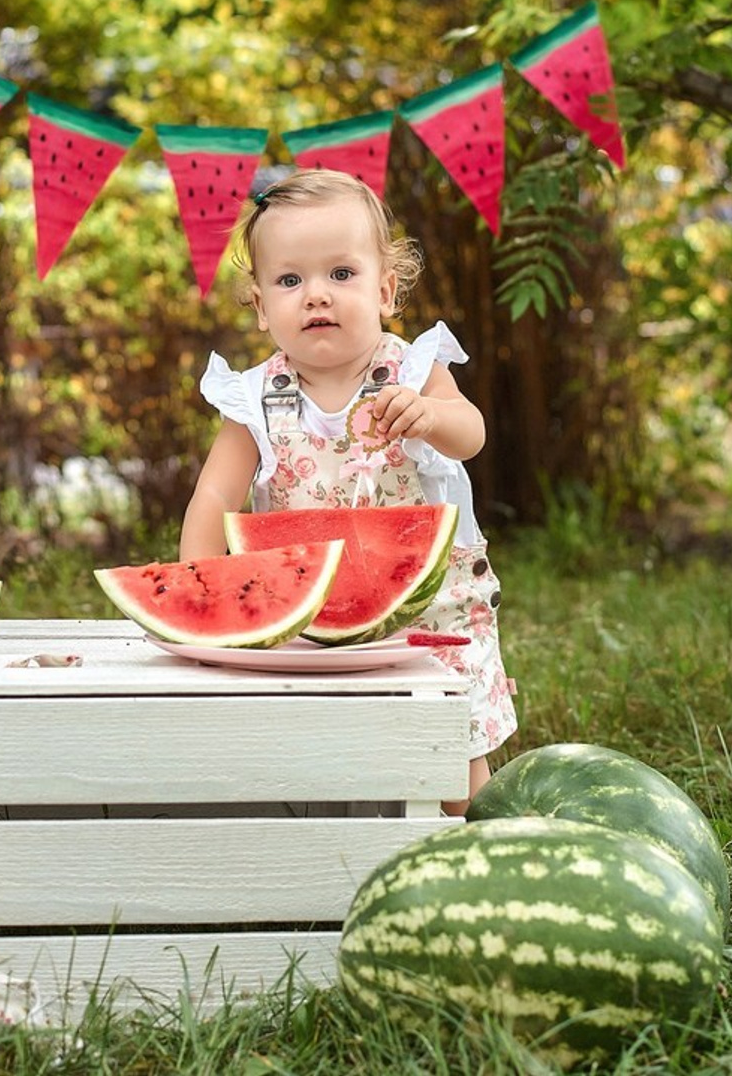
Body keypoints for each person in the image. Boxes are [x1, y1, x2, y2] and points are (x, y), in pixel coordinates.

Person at [179, 168, 516, 811]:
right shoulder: (253, 398)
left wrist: (431, 415)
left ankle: (480, 833)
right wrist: (198, 585)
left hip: (430, 599)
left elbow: (470, 433)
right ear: (259, 308)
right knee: (322, 743)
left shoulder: (414, 368)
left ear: (386, 290)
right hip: (305, 603)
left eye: (341, 275)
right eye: (289, 280)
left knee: (456, 743)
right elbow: (215, 498)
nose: (316, 296)